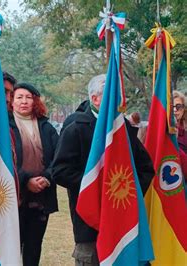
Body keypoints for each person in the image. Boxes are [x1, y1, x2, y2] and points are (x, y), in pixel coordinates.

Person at [51, 74, 154, 265]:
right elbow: (60, 171)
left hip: (123, 221)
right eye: (109, 91)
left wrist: (126, 193)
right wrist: (97, 187)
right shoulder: (76, 128)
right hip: (90, 225)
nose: (117, 96)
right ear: (95, 98)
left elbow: (146, 169)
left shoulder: (124, 129)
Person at [9, 83, 58, 266]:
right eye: (19, 97)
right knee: (12, 247)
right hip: (15, 195)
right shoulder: (6, 125)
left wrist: (46, 177)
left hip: (42, 196)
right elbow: (4, 159)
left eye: (28, 97)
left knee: (34, 246)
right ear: (12, 102)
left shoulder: (46, 127)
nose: (24, 101)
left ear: (35, 101)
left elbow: (59, 157)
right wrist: (25, 180)